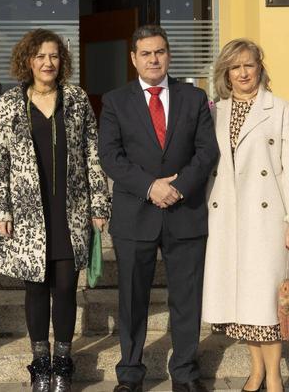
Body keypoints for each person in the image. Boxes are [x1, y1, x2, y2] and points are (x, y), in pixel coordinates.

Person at [0, 29, 111, 392]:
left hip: (70, 211)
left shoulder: (76, 99)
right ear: (28, 60)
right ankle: (41, 365)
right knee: (36, 290)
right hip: (27, 215)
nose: (47, 63)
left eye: (54, 56)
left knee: (66, 289)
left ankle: (63, 364)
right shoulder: (10, 102)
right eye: (40, 56)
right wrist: (0, 210)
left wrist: (99, 204)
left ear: (62, 61)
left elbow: (93, 154)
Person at [98, 24, 219, 392]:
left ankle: (184, 372)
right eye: (146, 53)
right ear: (134, 58)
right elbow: (110, 156)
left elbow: (207, 151)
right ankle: (131, 374)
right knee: (133, 301)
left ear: (168, 55)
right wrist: (151, 187)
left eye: (160, 51)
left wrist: (178, 188)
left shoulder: (193, 97)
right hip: (136, 213)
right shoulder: (115, 101)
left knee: (186, 299)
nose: (154, 59)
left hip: (186, 213)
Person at [202, 39, 289, 392]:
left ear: (260, 68)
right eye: (236, 67)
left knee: (267, 303)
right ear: (226, 73)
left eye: (249, 65)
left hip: (267, 219)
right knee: (244, 304)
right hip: (228, 219)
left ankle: (274, 377)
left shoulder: (278, 109)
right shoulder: (215, 111)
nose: (243, 73)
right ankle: (256, 371)